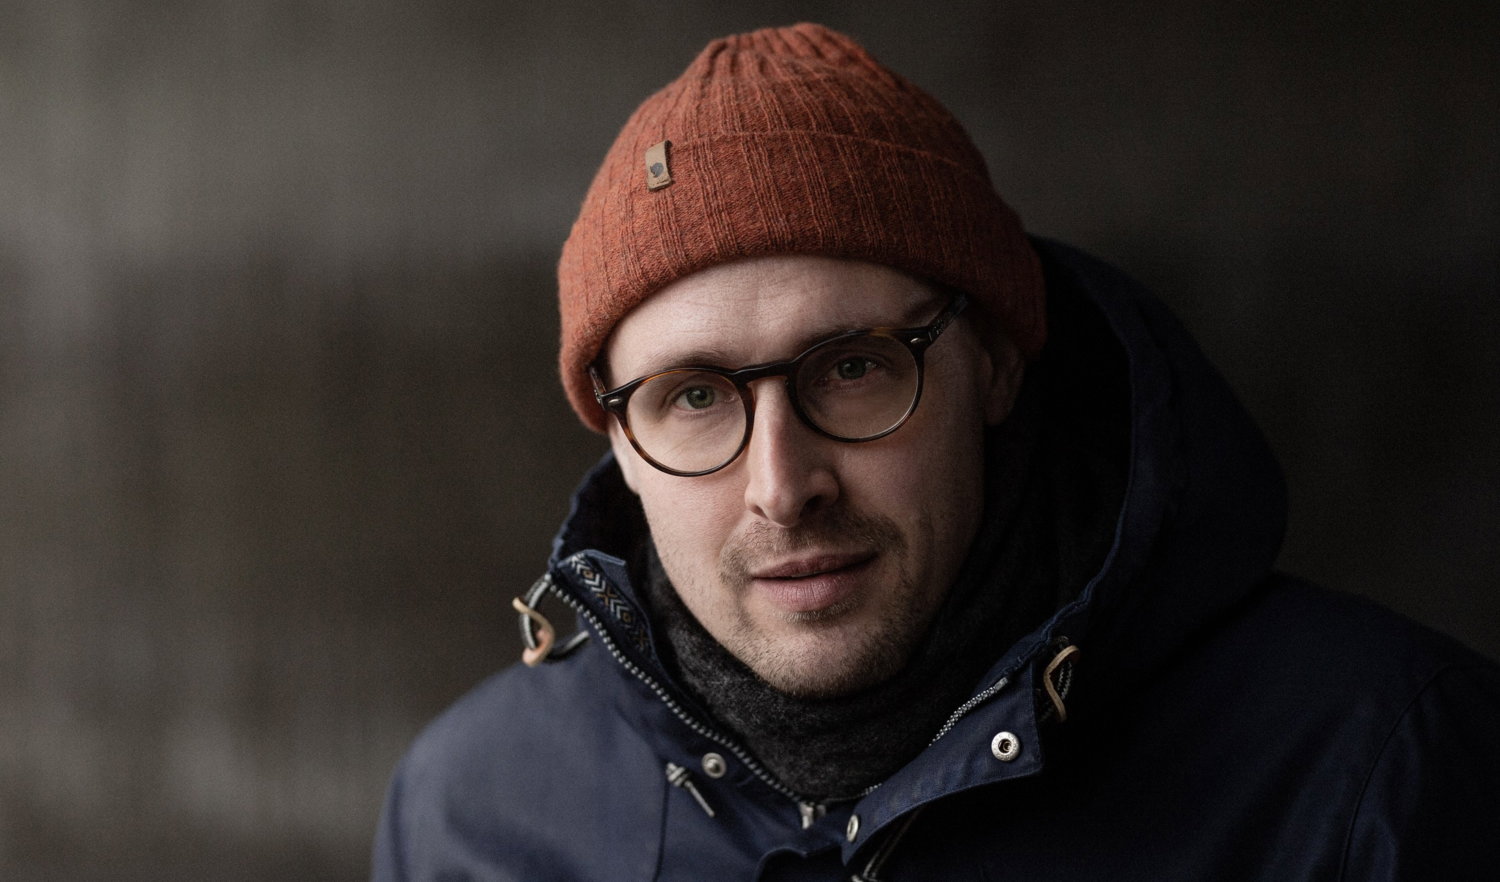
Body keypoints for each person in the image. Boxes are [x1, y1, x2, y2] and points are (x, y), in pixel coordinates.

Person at [372, 23, 1500, 881]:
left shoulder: (1377, 768)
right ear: (618, 438)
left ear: (997, 362)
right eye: (696, 397)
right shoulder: (469, 817)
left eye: (853, 368)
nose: (783, 488)